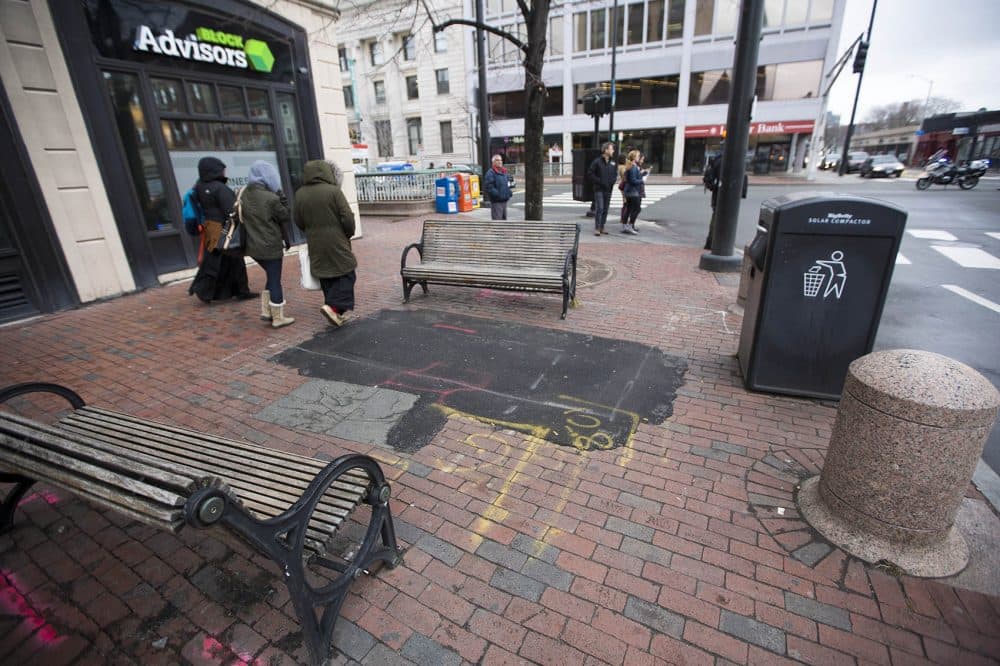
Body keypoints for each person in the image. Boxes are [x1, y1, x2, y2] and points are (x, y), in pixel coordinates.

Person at [294, 160, 357, 327]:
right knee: (347, 274)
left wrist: (312, 231)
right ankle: (334, 308)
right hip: (337, 241)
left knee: (326, 275)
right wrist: (348, 233)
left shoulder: (300, 193)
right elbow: (347, 218)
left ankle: (335, 313)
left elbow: (298, 220)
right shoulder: (333, 192)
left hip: (315, 242)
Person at [188, 156, 256, 303]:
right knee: (235, 259)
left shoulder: (199, 186)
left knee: (212, 262)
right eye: (222, 170)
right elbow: (231, 210)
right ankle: (241, 291)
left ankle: (206, 291)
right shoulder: (219, 188)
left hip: (210, 228)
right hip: (225, 229)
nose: (225, 173)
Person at [242, 160, 294, 328]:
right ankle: (278, 318)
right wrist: (282, 197)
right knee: (274, 279)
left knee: (271, 276)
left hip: (252, 246)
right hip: (270, 245)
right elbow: (285, 215)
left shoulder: (243, 194)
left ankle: (267, 311)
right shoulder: (271, 198)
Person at [702, 142, 747, 249]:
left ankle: (712, 242)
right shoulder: (732, 160)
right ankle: (718, 243)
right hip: (726, 196)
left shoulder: (718, 160)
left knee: (716, 217)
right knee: (721, 219)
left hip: (718, 194)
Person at [588, 142, 617, 236]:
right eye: (611, 149)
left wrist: (612, 182)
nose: (613, 151)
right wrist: (600, 181)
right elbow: (590, 174)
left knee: (605, 209)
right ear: (606, 150)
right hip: (599, 189)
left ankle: (602, 226)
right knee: (600, 208)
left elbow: (614, 174)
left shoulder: (613, 162)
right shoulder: (597, 161)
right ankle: (597, 228)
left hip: (608, 189)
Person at [621, 151, 645, 235]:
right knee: (637, 209)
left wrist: (640, 175)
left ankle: (625, 226)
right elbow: (633, 180)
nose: (639, 157)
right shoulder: (633, 167)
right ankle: (630, 226)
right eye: (638, 156)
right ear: (634, 157)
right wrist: (642, 180)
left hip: (628, 191)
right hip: (633, 192)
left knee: (628, 208)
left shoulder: (630, 166)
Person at [484, 154, 513, 220]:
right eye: (497, 160)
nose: (500, 162)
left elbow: (507, 185)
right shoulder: (490, 173)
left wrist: (509, 192)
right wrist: (498, 195)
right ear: (493, 162)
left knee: (504, 220)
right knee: (497, 221)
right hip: (496, 202)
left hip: (504, 200)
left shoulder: (504, 172)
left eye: (501, 160)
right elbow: (489, 187)